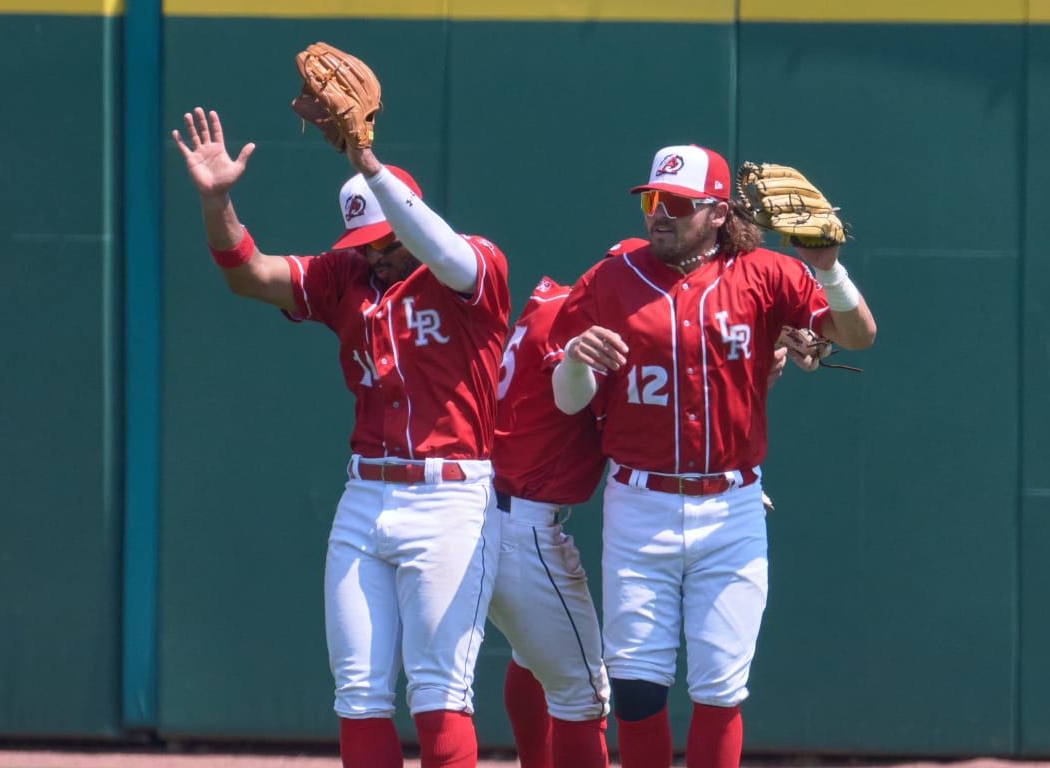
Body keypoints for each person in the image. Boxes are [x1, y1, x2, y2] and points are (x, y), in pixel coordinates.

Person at [171, 106, 511, 768]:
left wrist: (371, 168)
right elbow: (250, 274)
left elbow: (440, 247)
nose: (379, 256)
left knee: (439, 691)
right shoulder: (345, 277)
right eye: (367, 246)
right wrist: (218, 204)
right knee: (358, 695)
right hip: (365, 500)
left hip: (450, 500)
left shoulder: (473, 270)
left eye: (389, 240)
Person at [547, 145, 876, 768]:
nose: (659, 214)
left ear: (719, 211)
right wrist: (571, 361)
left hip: (732, 509)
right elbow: (568, 405)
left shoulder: (765, 272)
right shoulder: (611, 277)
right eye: (652, 200)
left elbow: (859, 335)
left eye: (676, 203)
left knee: (720, 689)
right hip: (638, 504)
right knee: (638, 691)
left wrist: (829, 271)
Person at [485, 237, 649, 768]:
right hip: (521, 526)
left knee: (533, 658)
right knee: (583, 694)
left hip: (483, 508)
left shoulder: (553, 303)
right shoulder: (586, 329)